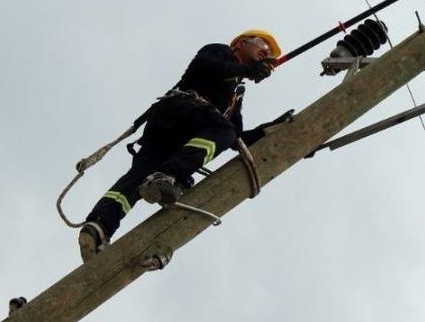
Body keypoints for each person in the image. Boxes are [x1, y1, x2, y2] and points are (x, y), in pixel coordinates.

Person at [78, 30, 293, 262]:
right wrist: (244, 70)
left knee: (139, 176)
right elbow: (205, 66)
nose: (266, 53)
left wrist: (271, 130)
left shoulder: (235, 94)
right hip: (177, 112)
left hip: (174, 139)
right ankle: (170, 175)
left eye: (270, 54)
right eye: (263, 45)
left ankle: (98, 228)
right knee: (223, 132)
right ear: (241, 43)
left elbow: (236, 138)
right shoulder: (220, 52)